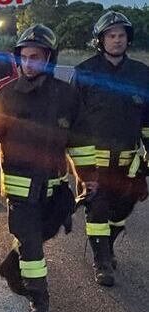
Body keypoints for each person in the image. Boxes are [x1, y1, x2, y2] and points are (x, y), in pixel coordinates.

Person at [0, 25, 97, 312]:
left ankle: (11, 269)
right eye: (25, 57)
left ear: (49, 59)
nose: (29, 63)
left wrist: (87, 176)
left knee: (43, 235)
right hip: (20, 188)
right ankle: (39, 298)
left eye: (36, 57)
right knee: (30, 242)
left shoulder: (67, 96)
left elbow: (78, 141)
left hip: (54, 186)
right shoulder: (5, 96)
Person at [71, 11, 149, 286]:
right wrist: (79, 168)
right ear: (100, 40)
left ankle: (108, 245)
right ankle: (101, 261)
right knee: (99, 210)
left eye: (121, 36)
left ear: (128, 39)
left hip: (129, 163)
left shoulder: (142, 74)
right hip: (94, 161)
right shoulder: (84, 72)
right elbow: (73, 121)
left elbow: (148, 122)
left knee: (121, 212)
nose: (117, 40)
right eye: (111, 36)